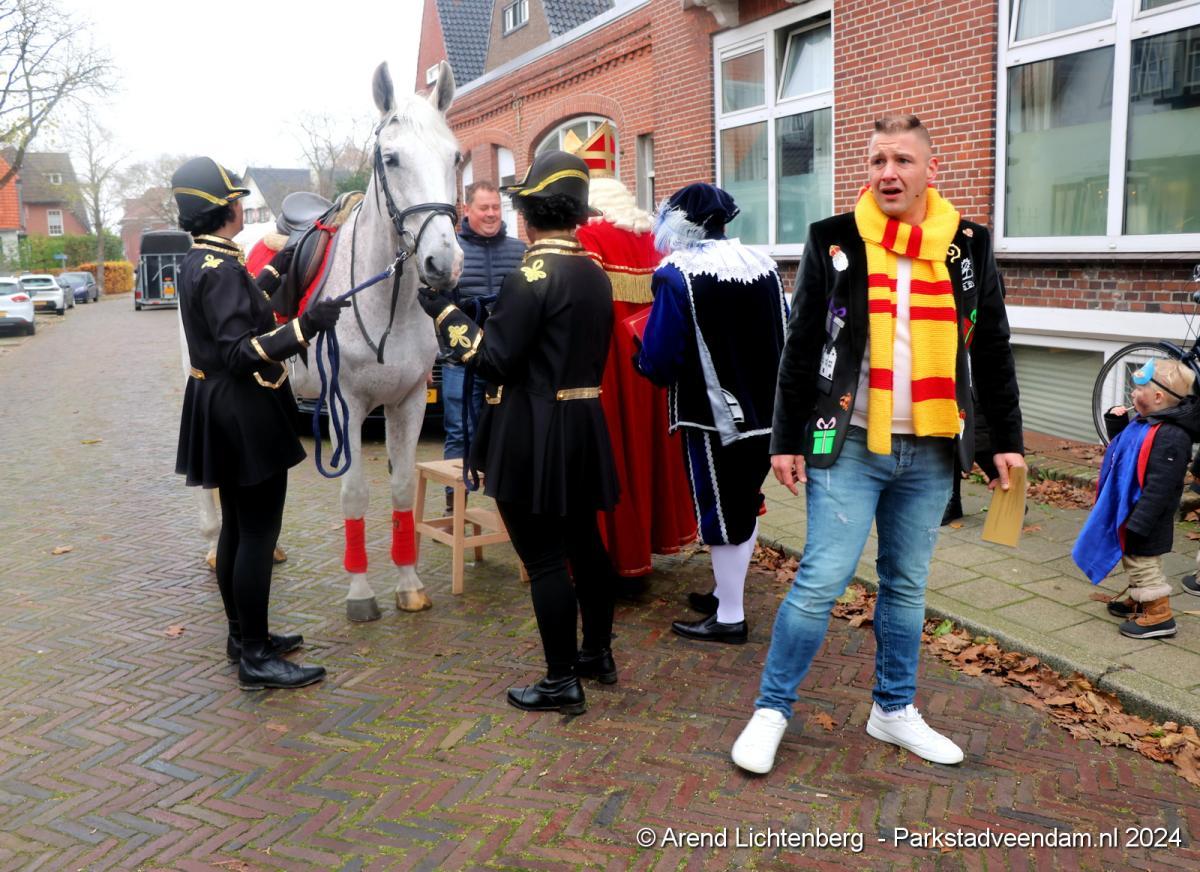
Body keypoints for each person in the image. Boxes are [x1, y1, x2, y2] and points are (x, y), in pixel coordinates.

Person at [730, 115, 1025, 774]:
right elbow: (802, 344)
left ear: (930, 169)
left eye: (902, 160)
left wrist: (1004, 439)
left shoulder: (969, 245)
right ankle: (772, 708)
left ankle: (893, 709)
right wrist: (786, 438)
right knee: (821, 581)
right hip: (852, 442)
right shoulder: (834, 239)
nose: (888, 173)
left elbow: (991, 347)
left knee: (907, 586)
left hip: (931, 446)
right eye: (876, 161)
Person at [416, 151, 621, 714]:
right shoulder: (594, 273)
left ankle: (560, 681)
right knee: (586, 544)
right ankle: (597, 654)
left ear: (528, 215)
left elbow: (493, 360)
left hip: (533, 429)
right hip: (583, 421)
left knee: (545, 558)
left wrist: (444, 313)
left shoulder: (529, 275)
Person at [172, 156, 348, 691]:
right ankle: (255, 656)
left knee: (236, 528)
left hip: (215, 403)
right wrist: (305, 327)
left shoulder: (200, 260)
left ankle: (242, 636)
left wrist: (282, 261)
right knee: (256, 534)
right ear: (224, 208)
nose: (239, 205)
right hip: (243, 407)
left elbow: (247, 302)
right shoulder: (222, 269)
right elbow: (240, 350)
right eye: (235, 198)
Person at [635, 183, 786, 642]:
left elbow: (661, 357)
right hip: (768, 412)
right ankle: (725, 594)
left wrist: (640, 359)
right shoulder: (763, 266)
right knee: (746, 502)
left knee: (721, 514)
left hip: (712, 415)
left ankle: (730, 617)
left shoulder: (676, 274)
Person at [571, 124, 697, 585]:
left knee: (612, 454)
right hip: (651, 359)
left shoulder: (587, 235)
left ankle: (612, 558)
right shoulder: (650, 235)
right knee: (647, 450)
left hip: (605, 364)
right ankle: (645, 548)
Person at [1073, 358, 1200, 639]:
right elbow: (1126, 451)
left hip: (1147, 516)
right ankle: (1140, 599)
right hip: (1133, 508)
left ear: (1158, 397)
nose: (1132, 394)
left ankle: (1159, 615)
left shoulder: (1172, 436)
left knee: (1143, 563)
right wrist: (1118, 423)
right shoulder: (1151, 422)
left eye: (1138, 389)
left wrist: (1141, 520)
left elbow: (1161, 486)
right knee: (1132, 558)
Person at [440, 181, 526, 513]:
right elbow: (436, 308)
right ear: (467, 210)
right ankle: (456, 506)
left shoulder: (520, 251)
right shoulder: (450, 249)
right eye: (484, 208)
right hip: (460, 361)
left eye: (496, 207)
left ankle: (508, 506)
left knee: (508, 431)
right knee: (460, 431)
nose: (491, 214)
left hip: (505, 361)